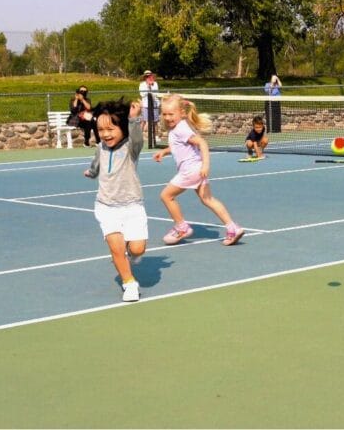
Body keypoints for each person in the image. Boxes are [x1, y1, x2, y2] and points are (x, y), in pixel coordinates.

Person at [153, 93, 245, 246]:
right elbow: (179, 145)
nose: (168, 117)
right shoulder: (178, 128)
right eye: (165, 114)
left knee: (166, 196)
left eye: (171, 114)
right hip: (196, 169)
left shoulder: (180, 128)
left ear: (181, 113)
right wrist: (164, 151)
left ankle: (181, 227)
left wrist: (206, 165)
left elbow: (202, 143)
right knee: (208, 199)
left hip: (191, 171)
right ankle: (233, 227)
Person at [83, 98, 146, 302]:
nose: (105, 134)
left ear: (122, 128)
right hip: (106, 206)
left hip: (132, 205)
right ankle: (129, 284)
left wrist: (134, 119)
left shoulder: (130, 148)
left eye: (110, 129)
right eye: (101, 130)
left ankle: (129, 256)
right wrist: (91, 173)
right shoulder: (100, 148)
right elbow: (96, 164)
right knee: (116, 246)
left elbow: (137, 139)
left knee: (137, 249)